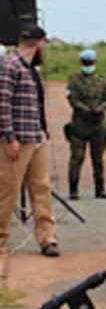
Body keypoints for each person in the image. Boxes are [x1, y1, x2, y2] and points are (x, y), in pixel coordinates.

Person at [0, 25, 60, 258]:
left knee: (41, 189)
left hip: (37, 137)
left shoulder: (31, 69)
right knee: (7, 190)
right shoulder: (9, 65)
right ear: (41, 43)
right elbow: (2, 103)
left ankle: (47, 238)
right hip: (17, 140)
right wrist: (9, 137)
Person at [65, 49, 106, 200]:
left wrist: (101, 108)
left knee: (98, 158)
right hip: (79, 124)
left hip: (98, 125)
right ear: (82, 63)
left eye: (90, 63)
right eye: (86, 63)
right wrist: (86, 109)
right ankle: (73, 189)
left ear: (95, 62)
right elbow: (72, 99)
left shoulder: (102, 81)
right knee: (77, 158)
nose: (88, 65)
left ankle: (100, 189)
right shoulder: (74, 81)